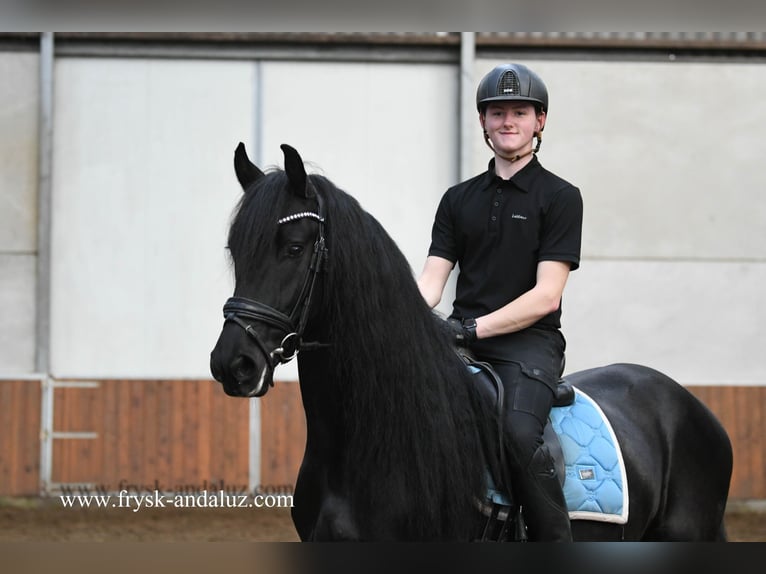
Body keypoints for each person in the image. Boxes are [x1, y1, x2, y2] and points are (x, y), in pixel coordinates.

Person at [417, 63, 583, 541]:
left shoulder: (561, 197)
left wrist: (471, 329)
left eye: (519, 112)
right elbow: (432, 280)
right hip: (458, 339)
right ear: (484, 122)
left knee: (516, 433)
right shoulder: (457, 199)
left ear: (540, 121)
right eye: (497, 112)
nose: (507, 121)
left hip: (528, 345)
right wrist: (401, 317)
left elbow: (546, 294)